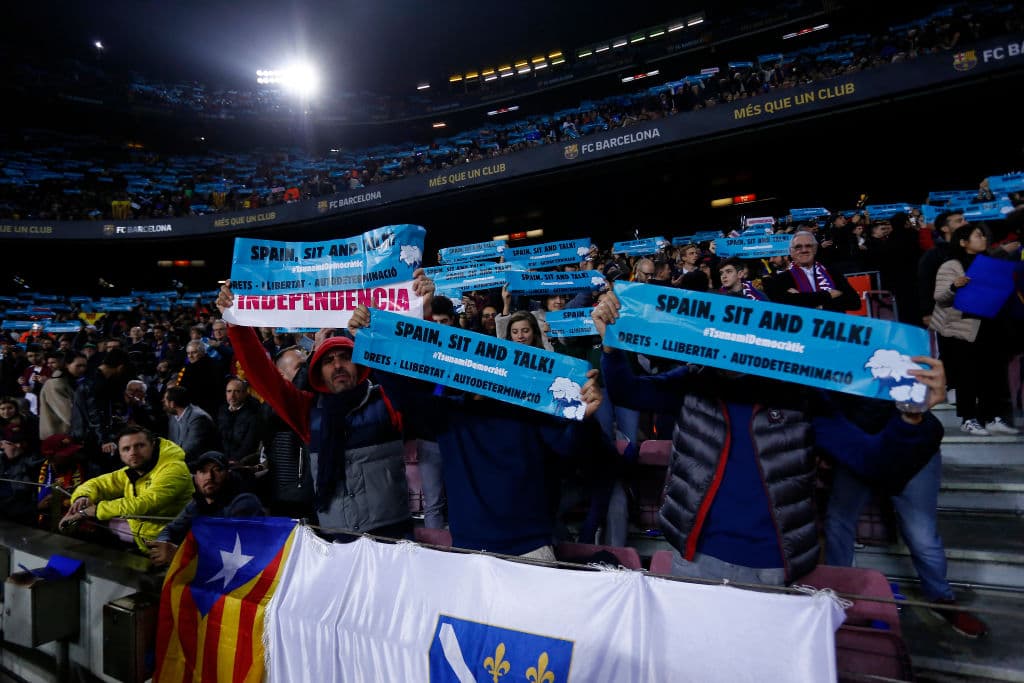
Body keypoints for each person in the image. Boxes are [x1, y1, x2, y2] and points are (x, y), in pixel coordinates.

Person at [592, 290, 947, 584]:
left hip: (774, 564)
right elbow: (629, 392)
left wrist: (911, 418)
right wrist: (611, 347)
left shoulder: (801, 396)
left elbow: (874, 463)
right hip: (693, 554)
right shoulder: (693, 379)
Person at [347, 298, 605, 559]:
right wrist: (371, 339)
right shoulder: (449, 412)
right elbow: (405, 394)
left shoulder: (531, 411)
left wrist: (584, 415)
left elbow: (573, 448)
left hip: (530, 548)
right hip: (468, 550)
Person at [217, 279, 423, 540]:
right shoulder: (308, 411)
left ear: (360, 363)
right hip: (336, 541)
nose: (337, 365)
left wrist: (413, 311)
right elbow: (263, 376)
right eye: (328, 360)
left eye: (345, 357)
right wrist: (236, 324)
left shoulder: (386, 401)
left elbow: (412, 380)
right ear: (317, 372)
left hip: (391, 541)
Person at [930, 224, 1019, 436]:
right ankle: (968, 419)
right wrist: (954, 286)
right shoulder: (951, 265)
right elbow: (940, 297)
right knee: (967, 375)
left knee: (993, 373)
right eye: (978, 236)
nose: (983, 239)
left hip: (990, 324)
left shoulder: (990, 262)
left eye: (983, 235)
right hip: (962, 328)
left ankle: (992, 417)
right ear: (963, 242)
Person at [61, 425, 193, 552]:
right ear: (120, 453)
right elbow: (100, 484)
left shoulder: (173, 469)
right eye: (126, 449)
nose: (133, 453)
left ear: (153, 445)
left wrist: (94, 511)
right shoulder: (135, 470)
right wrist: (82, 498)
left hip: (176, 548)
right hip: (147, 545)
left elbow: (146, 504)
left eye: (140, 446)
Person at [147, 450, 265, 566]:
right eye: (203, 471)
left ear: (228, 473)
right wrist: (163, 544)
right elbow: (171, 529)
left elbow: (229, 550)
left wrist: (179, 553)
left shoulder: (245, 502)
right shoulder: (198, 503)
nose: (209, 477)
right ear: (196, 477)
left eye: (217, 470)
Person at [763, 231, 861, 312]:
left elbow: (854, 302)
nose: (804, 250)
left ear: (815, 249)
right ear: (791, 252)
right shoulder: (781, 279)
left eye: (808, 246)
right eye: (798, 247)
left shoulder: (832, 272)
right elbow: (785, 305)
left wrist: (815, 304)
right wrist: (828, 295)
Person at [163, 385, 220, 464]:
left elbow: (190, 450)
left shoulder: (198, 418)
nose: (163, 401)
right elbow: (171, 445)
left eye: (165, 400)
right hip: (180, 462)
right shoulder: (173, 417)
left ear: (172, 404)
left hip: (200, 464)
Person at [216, 377, 261, 464]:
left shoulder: (253, 414)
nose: (232, 395)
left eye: (237, 391)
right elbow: (217, 438)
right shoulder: (222, 410)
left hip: (241, 462)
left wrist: (234, 460)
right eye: (229, 391)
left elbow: (249, 444)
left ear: (245, 393)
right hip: (221, 459)